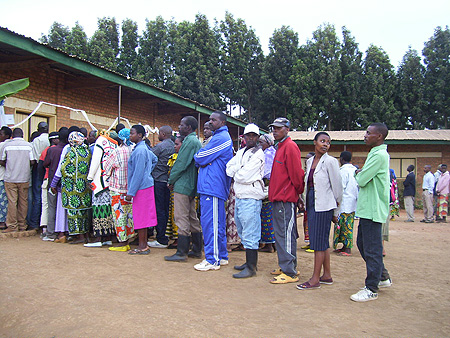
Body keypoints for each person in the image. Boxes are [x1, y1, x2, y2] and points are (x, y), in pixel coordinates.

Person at [350, 122, 391, 302]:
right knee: (362, 243)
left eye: (368, 133)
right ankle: (382, 276)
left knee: (372, 249)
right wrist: (361, 172)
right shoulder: (375, 153)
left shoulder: (380, 155)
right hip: (367, 209)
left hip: (373, 210)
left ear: (379, 137)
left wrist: (358, 173)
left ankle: (371, 288)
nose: (365, 135)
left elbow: (362, 179)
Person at [297, 132, 342, 290]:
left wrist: (336, 212)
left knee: (318, 243)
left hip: (324, 205)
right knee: (321, 241)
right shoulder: (310, 161)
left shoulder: (331, 162)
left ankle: (315, 279)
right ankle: (326, 275)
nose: (325, 144)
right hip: (312, 201)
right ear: (314, 142)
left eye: (328, 142)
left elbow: (337, 188)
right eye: (322, 141)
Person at [193, 111, 233, 271]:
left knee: (211, 224)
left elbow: (200, 157)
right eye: (209, 119)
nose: (210, 122)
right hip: (210, 186)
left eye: (213, 120)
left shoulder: (221, 138)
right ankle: (221, 256)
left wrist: (201, 159)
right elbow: (203, 158)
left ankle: (212, 259)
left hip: (213, 187)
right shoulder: (217, 137)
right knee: (216, 224)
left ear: (222, 123)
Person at [267, 117, 305, 284]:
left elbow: (297, 175)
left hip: (285, 199)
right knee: (281, 234)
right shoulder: (280, 147)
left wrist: (296, 194)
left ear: (287, 129)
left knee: (285, 234)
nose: (275, 130)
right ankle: (286, 265)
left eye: (278, 128)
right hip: (278, 198)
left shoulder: (290, 147)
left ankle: (290, 272)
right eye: (273, 128)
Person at [226, 123, 265, 278]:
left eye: (253, 135)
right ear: (244, 137)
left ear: (257, 137)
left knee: (250, 232)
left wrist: (237, 171)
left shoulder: (258, 154)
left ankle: (251, 267)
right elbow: (229, 168)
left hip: (251, 197)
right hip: (240, 195)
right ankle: (249, 262)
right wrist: (238, 171)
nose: (250, 138)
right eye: (248, 135)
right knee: (242, 230)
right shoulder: (241, 152)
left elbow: (243, 175)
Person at [165, 116, 203, 262]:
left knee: (181, 217)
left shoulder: (189, 141)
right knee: (192, 217)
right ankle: (196, 249)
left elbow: (180, 164)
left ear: (188, 127)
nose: (179, 127)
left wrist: (171, 180)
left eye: (181, 125)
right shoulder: (194, 141)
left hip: (183, 184)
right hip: (191, 184)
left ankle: (181, 252)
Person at [126, 125, 158, 254]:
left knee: (141, 217)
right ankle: (143, 245)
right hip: (145, 185)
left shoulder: (140, 151)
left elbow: (138, 173)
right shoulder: (143, 148)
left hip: (141, 187)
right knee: (143, 216)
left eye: (132, 133)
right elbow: (154, 159)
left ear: (139, 135)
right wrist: (148, 172)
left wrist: (131, 192)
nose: (130, 136)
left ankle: (142, 246)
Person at [85, 130, 118, 247]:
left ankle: (98, 238)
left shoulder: (100, 142)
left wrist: (89, 178)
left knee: (98, 209)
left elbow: (95, 161)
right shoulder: (114, 144)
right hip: (111, 182)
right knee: (108, 210)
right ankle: (108, 237)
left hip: (100, 182)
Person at [104, 128, 134, 251]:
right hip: (130, 189)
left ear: (120, 139)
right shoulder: (133, 151)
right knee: (129, 215)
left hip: (117, 188)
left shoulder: (117, 151)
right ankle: (130, 237)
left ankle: (122, 242)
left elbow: (107, 168)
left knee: (119, 215)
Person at [0, 128, 35, 233]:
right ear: (22, 135)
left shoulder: (7, 146)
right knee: (23, 202)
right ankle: (22, 225)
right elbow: (32, 161)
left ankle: (12, 226)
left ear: (12, 136)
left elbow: (2, 161)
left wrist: (10, 166)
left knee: (12, 202)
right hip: (24, 177)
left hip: (10, 177)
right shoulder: (29, 146)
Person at [60, 131, 92, 242]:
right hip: (85, 187)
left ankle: (79, 236)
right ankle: (86, 234)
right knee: (84, 211)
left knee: (74, 212)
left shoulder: (72, 151)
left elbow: (64, 168)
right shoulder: (87, 151)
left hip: (72, 188)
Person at [148, 125, 175, 248]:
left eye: (159, 133)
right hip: (168, 182)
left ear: (163, 134)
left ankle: (160, 238)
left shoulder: (160, 146)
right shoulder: (174, 146)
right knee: (165, 209)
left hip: (158, 181)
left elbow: (149, 158)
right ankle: (165, 235)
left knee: (159, 210)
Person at [43, 128, 69, 241]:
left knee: (52, 208)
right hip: (67, 184)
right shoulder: (69, 149)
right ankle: (66, 233)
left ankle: (51, 233)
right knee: (66, 210)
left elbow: (45, 163)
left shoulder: (52, 150)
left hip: (54, 182)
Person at [333, 151, 358, 256]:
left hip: (344, 202)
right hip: (352, 202)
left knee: (345, 226)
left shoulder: (343, 171)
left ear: (341, 159)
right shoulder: (355, 170)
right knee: (347, 224)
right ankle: (344, 246)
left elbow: (340, 187)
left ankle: (347, 248)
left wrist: (336, 200)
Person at [39, 132, 59, 240]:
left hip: (48, 179)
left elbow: (42, 165)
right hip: (55, 181)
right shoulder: (61, 149)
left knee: (46, 205)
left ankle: (45, 229)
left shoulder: (46, 150)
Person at [29, 121, 50, 229]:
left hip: (38, 167)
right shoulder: (49, 139)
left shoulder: (37, 140)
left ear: (39, 129)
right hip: (49, 170)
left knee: (37, 196)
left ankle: (35, 223)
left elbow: (35, 158)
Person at [165, 135, 184, 249]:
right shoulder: (173, 157)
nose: (174, 146)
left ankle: (179, 239)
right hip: (174, 190)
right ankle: (176, 237)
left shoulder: (182, 158)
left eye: (177, 144)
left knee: (179, 214)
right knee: (174, 213)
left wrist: (171, 181)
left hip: (179, 189)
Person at [258, 133, 276, 253]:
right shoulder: (271, 152)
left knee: (266, 216)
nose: (259, 145)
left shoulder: (268, 154)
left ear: (268, 143)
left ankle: (269, 245)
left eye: (261, 142)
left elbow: (265, 173)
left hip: (267, 188)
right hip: (270, 188)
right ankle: (271, 244)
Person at [301, 152, 316, 252]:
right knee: (307, 222)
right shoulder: (306, 172)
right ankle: (310, 242)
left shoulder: (315, 172)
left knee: (314, 222)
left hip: (313, 201)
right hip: (306, 200)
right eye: (306, 159)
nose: (306, 160)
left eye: (308, 158)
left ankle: (314, 244)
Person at [0, 126, 12, 230]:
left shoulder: (3, 145)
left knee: (3, 200)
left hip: (2, 176)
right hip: (7, 176)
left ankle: (2, 222)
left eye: (1, 134)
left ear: (7, 136)